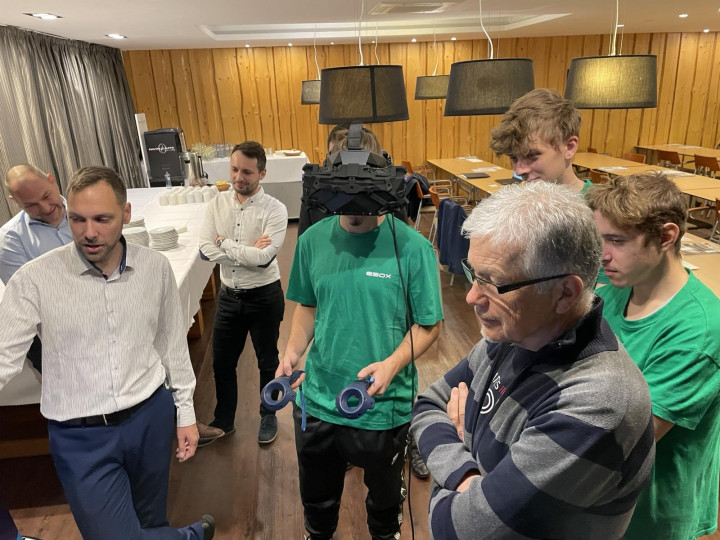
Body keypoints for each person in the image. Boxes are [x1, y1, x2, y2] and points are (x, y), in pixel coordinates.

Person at [411, 181, 656, 539]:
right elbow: (428, 404)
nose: (471, 297)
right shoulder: (517, 332)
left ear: (565, 293)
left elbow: (455, 530)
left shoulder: (600, 402)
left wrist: (459, 447)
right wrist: (467, 474)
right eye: (474, 274)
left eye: (492, 282)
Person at [0, 166, 214, 539]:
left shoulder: (155, 268)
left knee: (151, 522)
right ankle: (188, 537)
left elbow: (172, 347)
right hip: (79, 434)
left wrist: (186, 414)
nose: (89, 232)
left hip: (150, 417)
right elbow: (4, 357)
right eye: (77, 219)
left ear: (126, 214)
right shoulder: (33, 279)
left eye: (102, 219)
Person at [278, 127, 444, 540]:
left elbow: (429, 325)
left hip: (382, 406)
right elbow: (307, 305)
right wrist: (293, 349)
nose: (352, 210)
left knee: (384, 510)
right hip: (318, 400)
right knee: (317, 504)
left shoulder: (412, 248)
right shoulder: (313, 240)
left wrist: (392, 364)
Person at [588, 173, 720, 539]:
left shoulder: (700, 330)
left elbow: (630, 441)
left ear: (665, 237)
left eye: (617, 240)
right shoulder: (612, 293)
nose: (602, 254)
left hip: (652, 514)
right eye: (600, 238)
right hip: (600, 501)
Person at [199, 141, 288, 445]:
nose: (238, 177)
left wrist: (223, 243)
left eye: (247, 172)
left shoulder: (275, 210)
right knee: (222, 363)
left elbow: (263, 260)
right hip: (228, 297)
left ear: (262, 173)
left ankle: (269, 414)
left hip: (264, 297)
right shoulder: (216, 204)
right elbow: (204, 250)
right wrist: (246, 251)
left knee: (267, 361)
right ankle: (224, 421)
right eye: (234, 169)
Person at [1, 164, 73, 373]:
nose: (45, 208)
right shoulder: (10, 240)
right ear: (15, 201)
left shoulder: (88, 212)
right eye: (31, 205)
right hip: (56, 336)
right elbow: (31, 302)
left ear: (52, 180)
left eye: (47, 196)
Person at [489, 88, 592, 194]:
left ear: (569, 147)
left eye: (531, 156)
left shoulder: (596, 204)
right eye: (514, 158)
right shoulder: (523, 198)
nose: (519, 171)